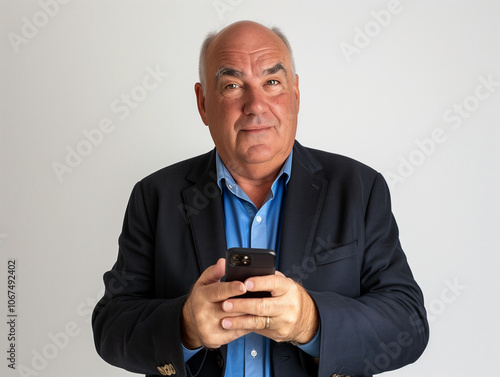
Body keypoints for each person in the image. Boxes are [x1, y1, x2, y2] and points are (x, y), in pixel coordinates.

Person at [92, 20, 429, 377]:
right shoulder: (154, 196)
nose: (256, 105)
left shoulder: (360, 188)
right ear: (203, 103)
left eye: (272, 82)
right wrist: (184, 326)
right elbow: (110, 325)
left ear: (295, 94)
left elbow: (408, 323)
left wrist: (310, 322)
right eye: (233, 85)